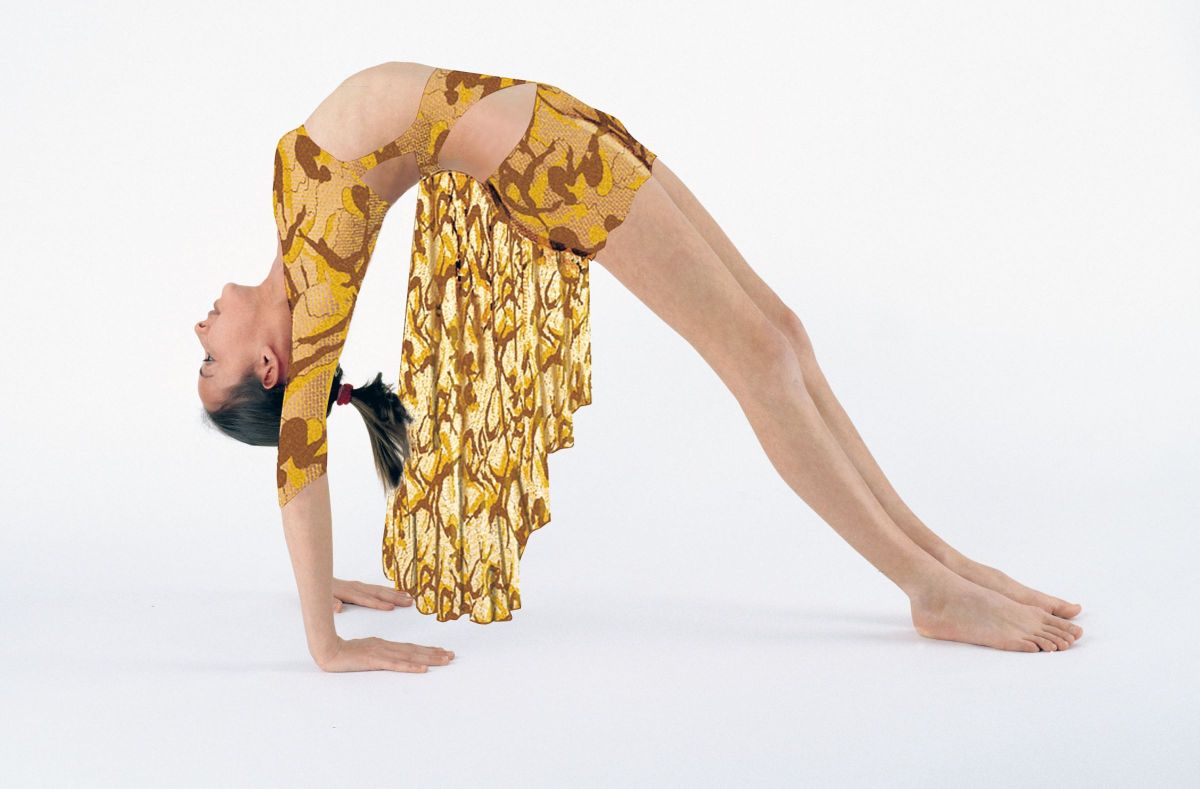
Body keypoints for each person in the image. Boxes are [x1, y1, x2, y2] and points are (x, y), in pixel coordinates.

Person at [196, 61, 1083, 673]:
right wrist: (325, 642)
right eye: (208, 360)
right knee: (756, 357)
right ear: (268, 365)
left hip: (566, 126)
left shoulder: (294, 231)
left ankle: (942, 559)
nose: (199, 330)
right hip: (554, 164)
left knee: (782, 332)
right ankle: (928, 591)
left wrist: (324, 581)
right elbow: (299, 459)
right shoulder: (317, 286)